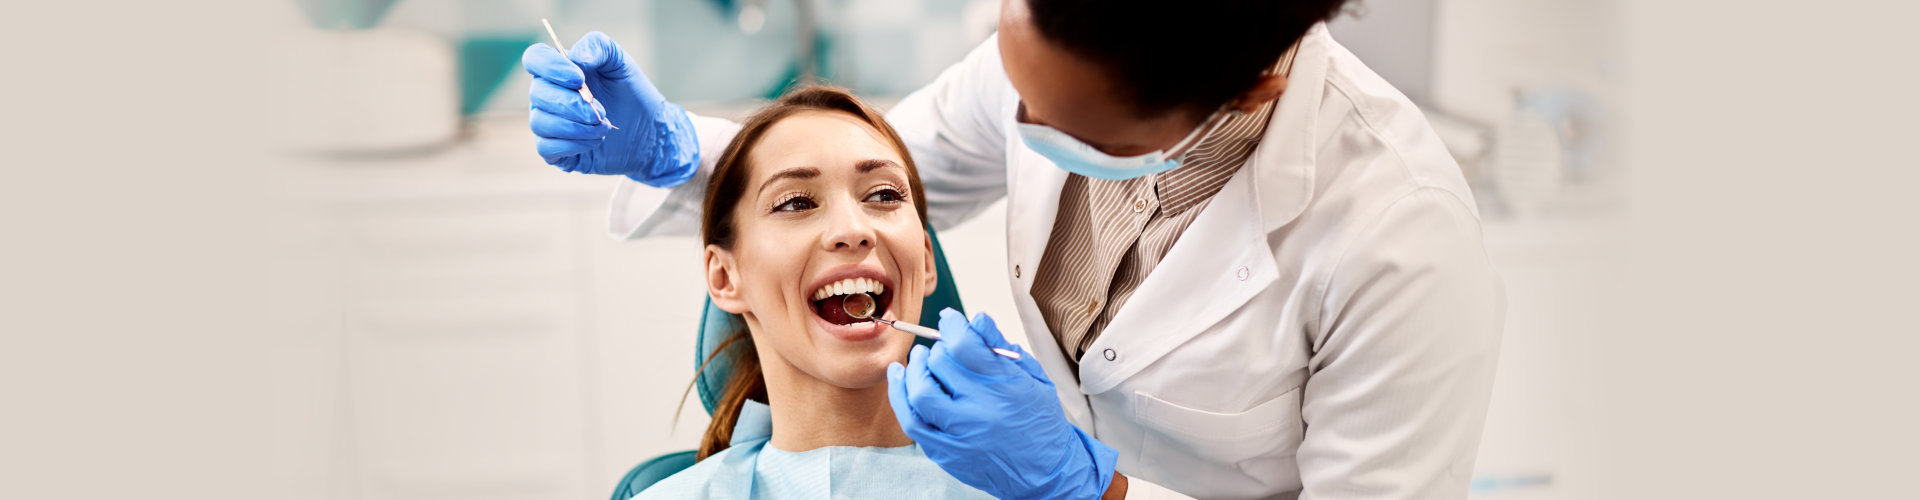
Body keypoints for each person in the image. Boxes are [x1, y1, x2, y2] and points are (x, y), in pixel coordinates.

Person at [523, 0, 1506, 497]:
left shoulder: (1393, 240)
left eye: (1058, 118)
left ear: (1245, 93)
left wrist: (1096, 490)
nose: (1012, 114)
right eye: (1010, 76)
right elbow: (878, 158)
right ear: (722, 274)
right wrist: (677, 154)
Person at [635, 85, 996, 499]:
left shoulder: (1029, 487)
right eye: (795, 203)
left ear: (926, 262)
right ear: (724, 278)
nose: (853, 230)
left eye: (883, 194)